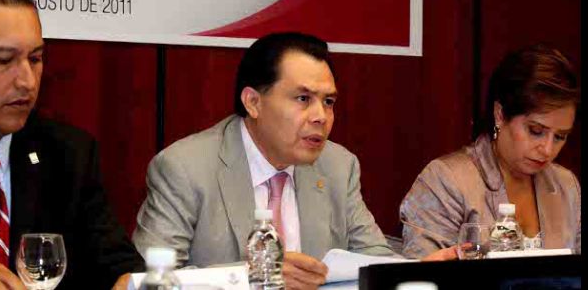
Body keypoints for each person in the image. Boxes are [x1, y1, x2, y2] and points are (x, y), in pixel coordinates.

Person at [131, 32, 455, 290]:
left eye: (328, 102)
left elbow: (372, 259)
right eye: (303, 99)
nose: (321, 117)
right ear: (253, 102)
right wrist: (254, 277)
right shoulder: (185, 168)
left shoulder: (338, 166)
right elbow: (149, 278)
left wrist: (411, 273)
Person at [0, 0, 143, 290]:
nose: (28, 81)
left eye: (35, 59)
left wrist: (129, 282)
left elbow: (119, 265)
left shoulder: (68, 153)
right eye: (4, 60)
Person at [400, 44, 581, 258]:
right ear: (500, 115)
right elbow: (419, 276)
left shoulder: (566, 185)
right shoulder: (446, 180)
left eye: (560, 136)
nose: (548, 149)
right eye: (536, 131)